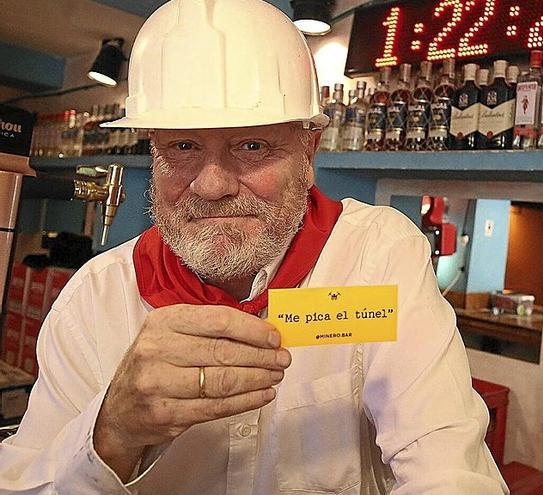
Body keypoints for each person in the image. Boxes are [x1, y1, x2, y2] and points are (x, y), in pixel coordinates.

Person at [0, 0, 508, 493]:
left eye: (251, 146)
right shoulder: (94, 301)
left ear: (308, 150)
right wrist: (112, 432)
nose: (211, 185)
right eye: (183, 146)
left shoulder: (376, 259)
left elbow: (446, 462)